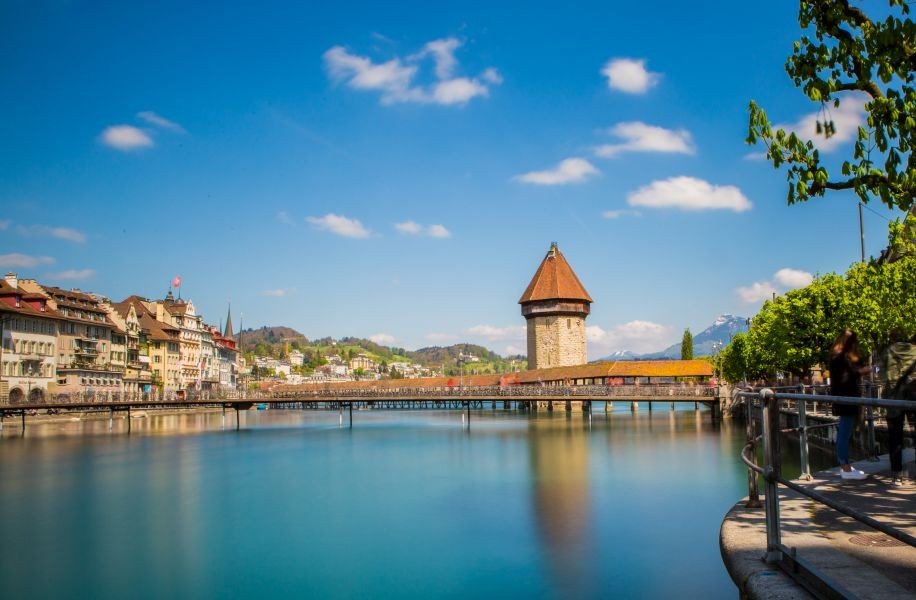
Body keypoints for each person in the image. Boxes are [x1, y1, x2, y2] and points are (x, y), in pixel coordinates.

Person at [829, 330, 869, 480]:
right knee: (845, 432)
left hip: (844, 397)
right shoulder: (842, 357)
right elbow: (852, 373)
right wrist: (867, 370)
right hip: (848, 398)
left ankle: (845, 465)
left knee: (845, 431)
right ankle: (845, 468)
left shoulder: (836, 355)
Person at [880, 334, 916, 486]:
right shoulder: (915, 351)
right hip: (914, 396)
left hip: (893, 398)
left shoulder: (888, 351)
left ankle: (897, 475)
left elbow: (881, 374)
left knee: (895, 438)